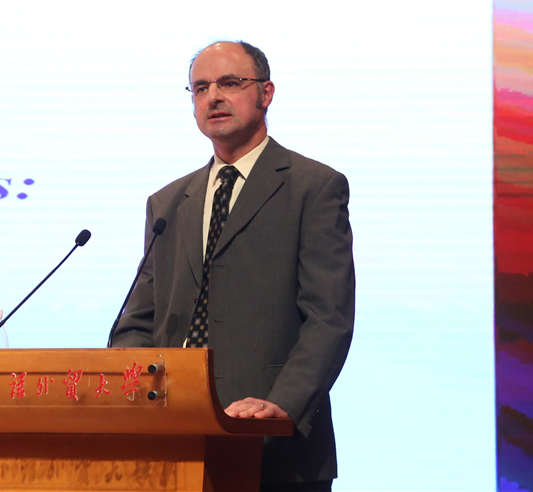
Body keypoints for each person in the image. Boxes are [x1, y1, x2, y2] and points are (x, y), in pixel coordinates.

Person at [110, 41, 355, 491]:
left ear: (266, 93)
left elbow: (329, 319)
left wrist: (281, 405)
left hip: (274, 446)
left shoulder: (314, 187)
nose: (213, 97)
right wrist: (133, 390)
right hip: (174, 441)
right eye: (201, 88)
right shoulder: (169, 202)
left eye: (230, 83)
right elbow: (139, 320)